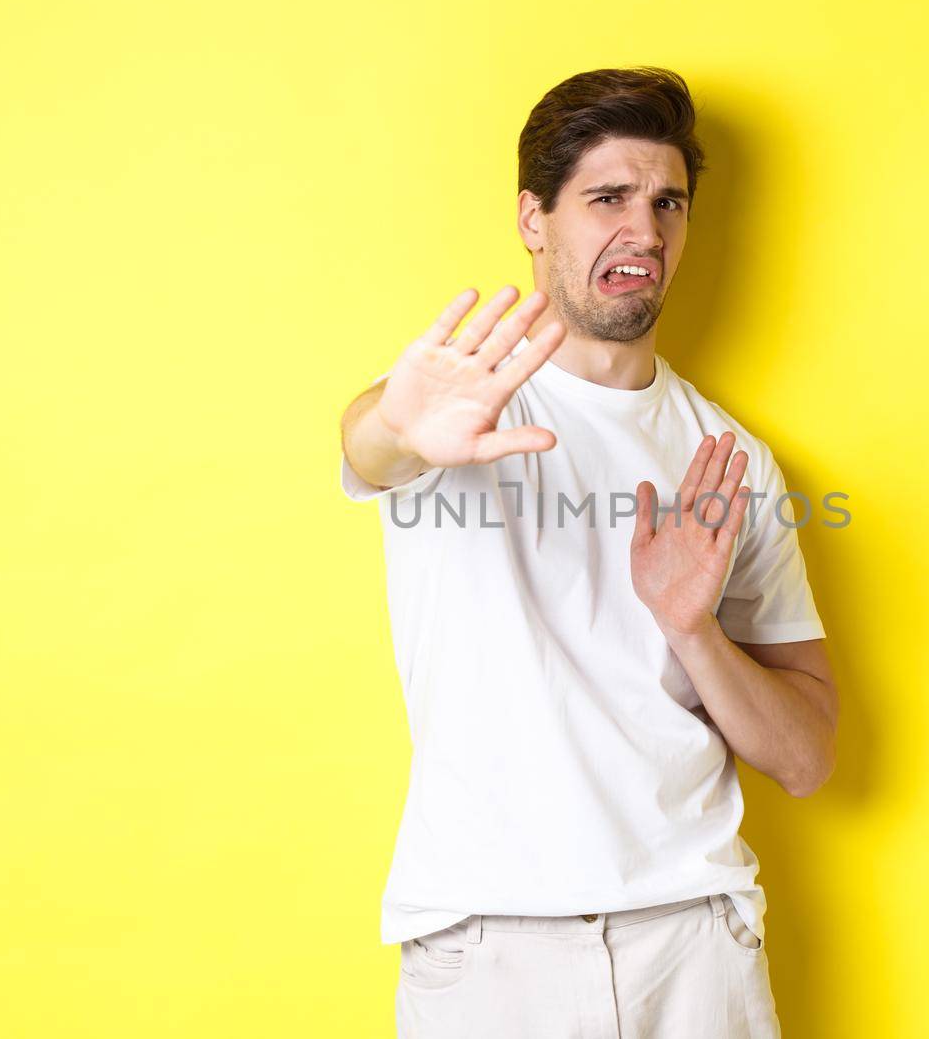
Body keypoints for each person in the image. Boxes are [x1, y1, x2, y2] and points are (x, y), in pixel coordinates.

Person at [337, 66, 838, 1039]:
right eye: (607, 198)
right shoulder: (458, 401)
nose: (645, 233)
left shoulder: (726, 457)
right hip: (485, 945)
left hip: (691, 941)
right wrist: (394, 422)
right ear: (534, 218)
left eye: (667, 203)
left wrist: (693, 630)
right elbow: (369, 441)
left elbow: (808, 755)